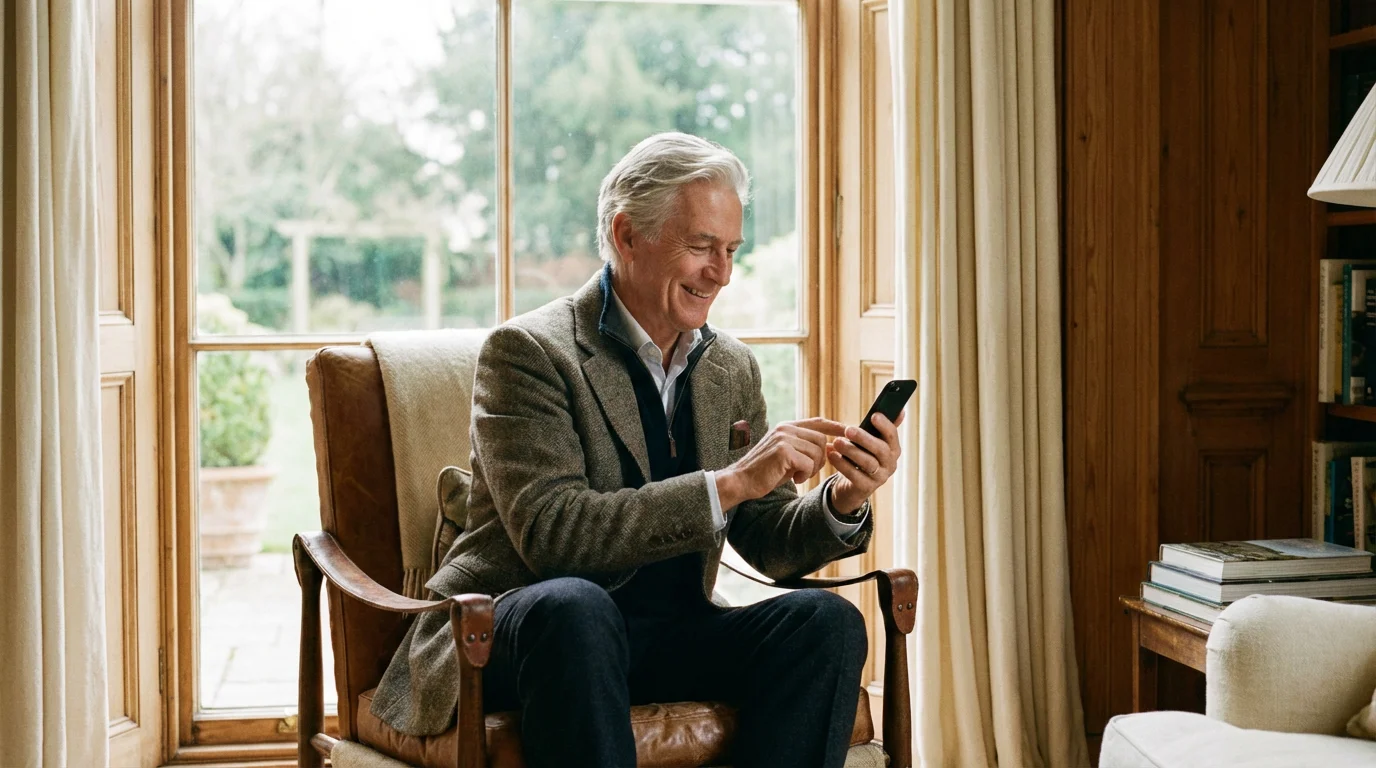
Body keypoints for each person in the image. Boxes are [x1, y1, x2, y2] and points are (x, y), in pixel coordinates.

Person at [370, 132, 904, 768]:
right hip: (515, 633)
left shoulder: (730, 366)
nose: (721, 272)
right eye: (701, 246)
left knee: (826, 624)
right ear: (627, 235)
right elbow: (553, 534)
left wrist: (842, 499)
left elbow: (766, 540)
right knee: (576, 606)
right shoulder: (529, 353)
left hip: (666, 635)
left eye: (731, 250)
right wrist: (731, 482)